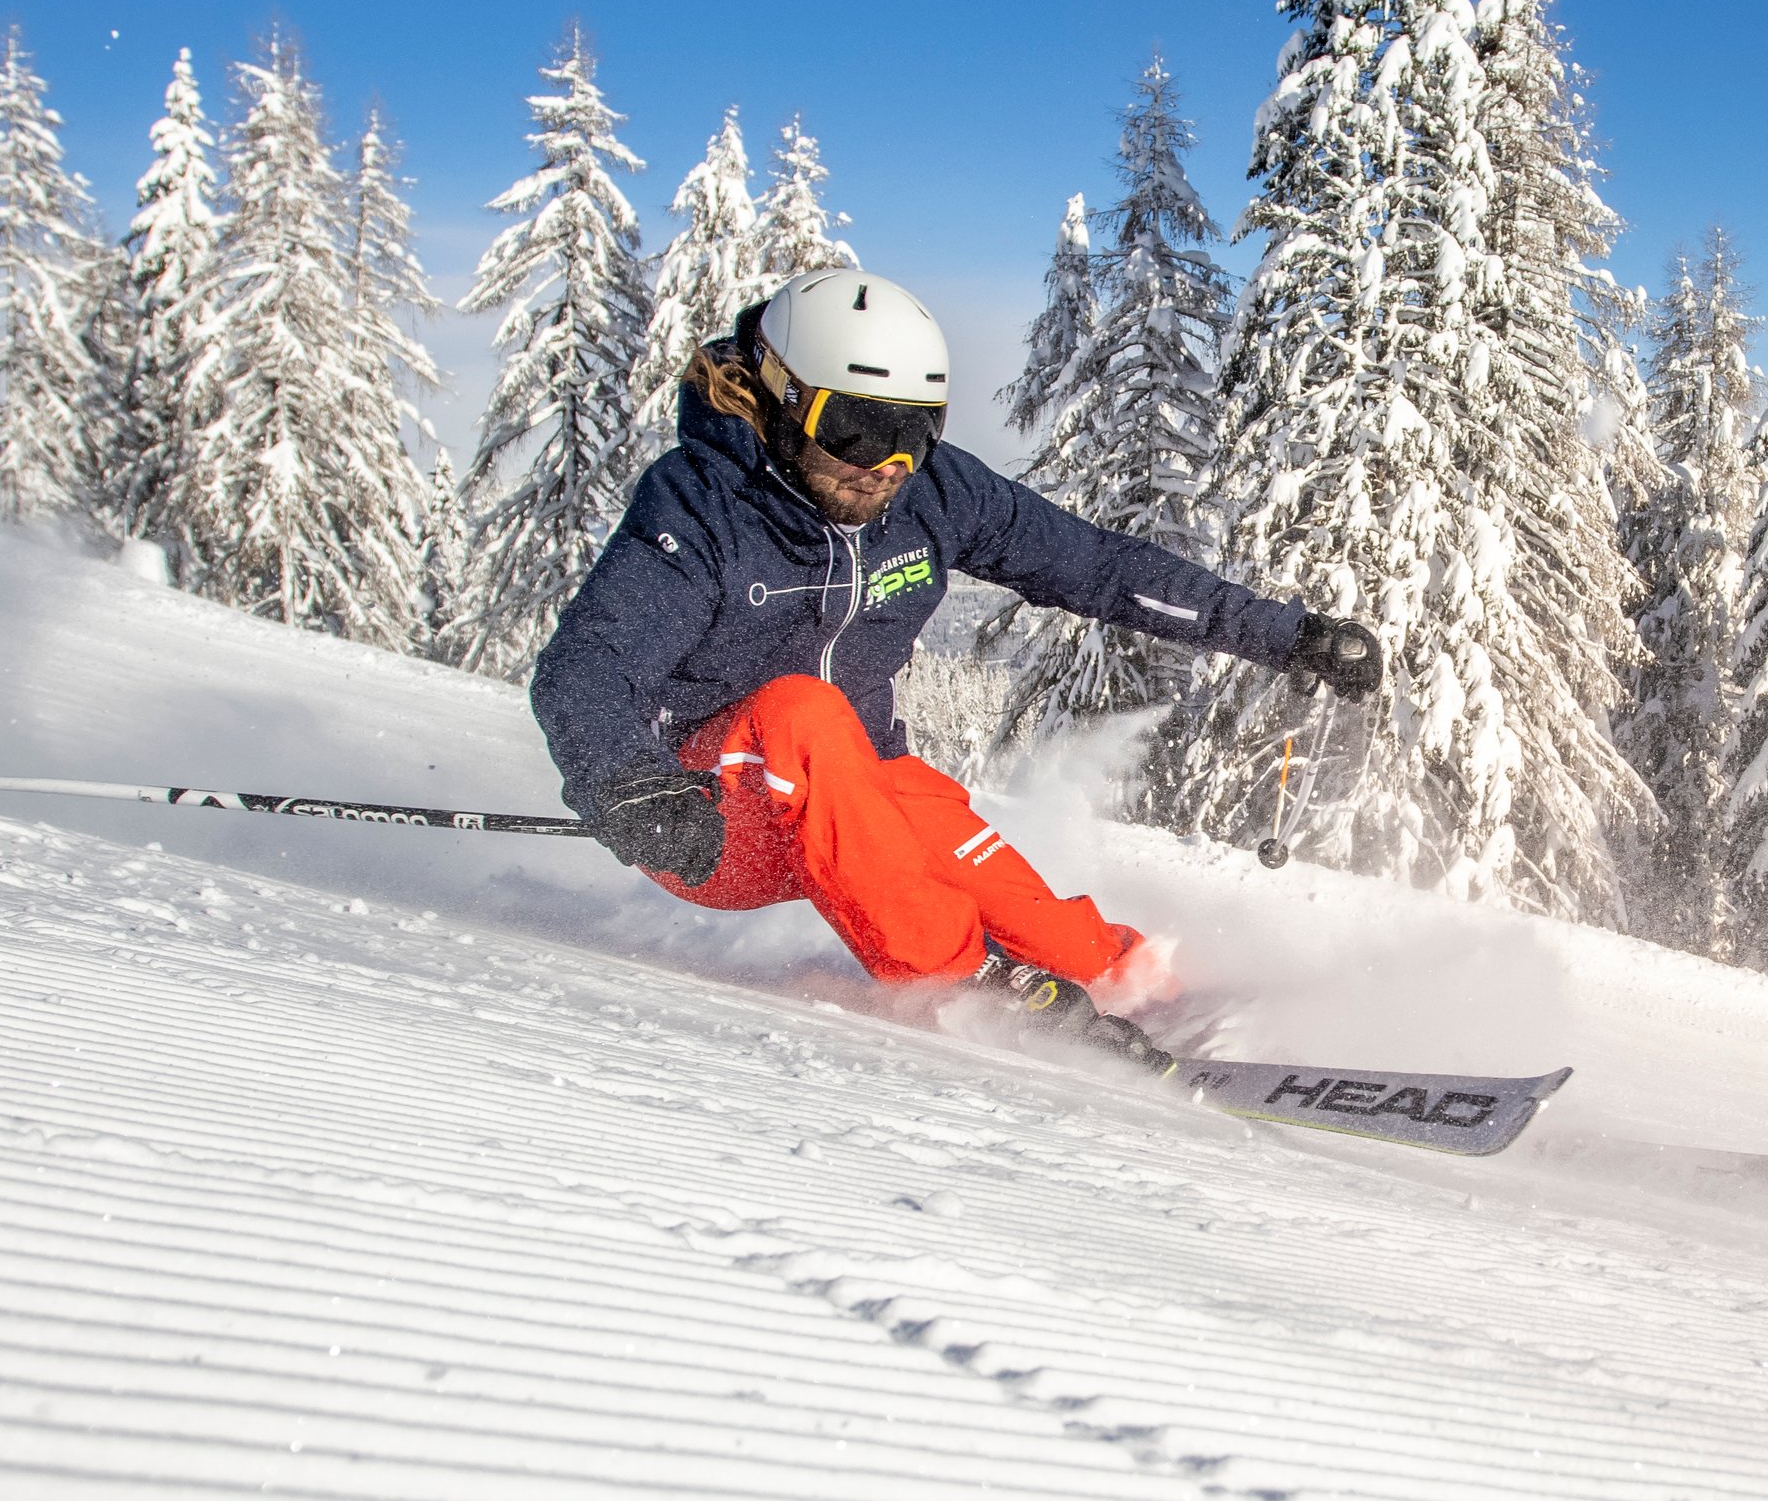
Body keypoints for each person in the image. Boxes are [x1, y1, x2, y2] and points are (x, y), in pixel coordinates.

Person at [530, 267, 1379, 1051]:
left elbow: (1101, 569)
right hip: (714, 819)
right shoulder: (705, 505)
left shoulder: (931, 493)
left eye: (914, 433)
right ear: (782, 399)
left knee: (1061, 934)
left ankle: (1154, 1001)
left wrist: (1285, 635)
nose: (886, 466)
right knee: (802, 713)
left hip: (861, 800)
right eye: (856, 429)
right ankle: (964, 982)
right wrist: (630, 783)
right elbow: (587, 667)